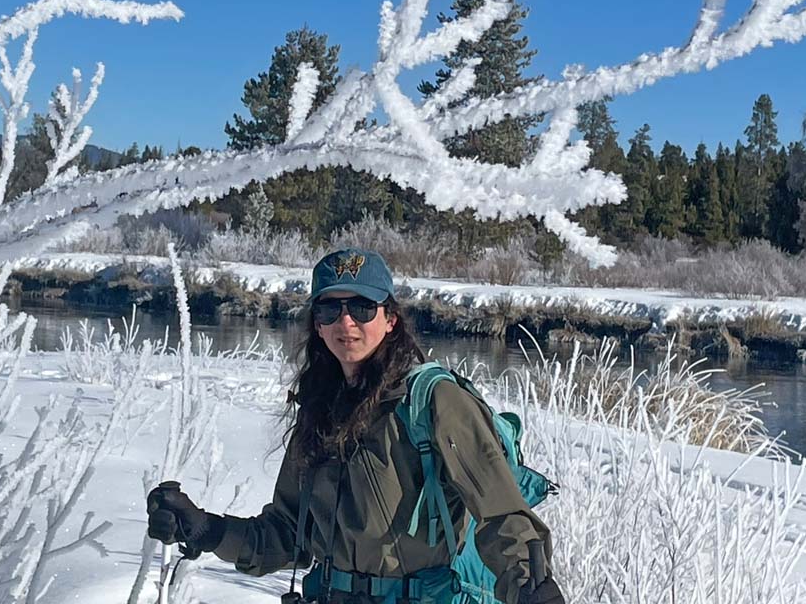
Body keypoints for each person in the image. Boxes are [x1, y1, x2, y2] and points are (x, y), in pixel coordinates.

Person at [147, 248, 565, 604]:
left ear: (390, 318)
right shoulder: (319, 409)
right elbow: (286, 535)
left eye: (362, 307)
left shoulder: (435, 401)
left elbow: (501, 514)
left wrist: (530, 587)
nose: (346, 323)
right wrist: (206, 529)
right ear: (318, 323)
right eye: (331, 309)